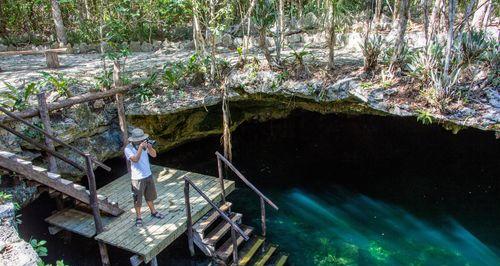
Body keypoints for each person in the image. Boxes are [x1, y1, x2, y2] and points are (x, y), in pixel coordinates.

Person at [124, 128, 165, 227]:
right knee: (138, 199)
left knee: (150, 196)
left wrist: (149, 148)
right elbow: (135, 160)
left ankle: (153, 211)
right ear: (134, 140)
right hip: (137, 178)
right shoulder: (128, 149)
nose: (142, 141)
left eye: (143, 139)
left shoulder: (144, 146)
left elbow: (154, 155)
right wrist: (140, 148)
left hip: (148, 174)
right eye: (141, 140)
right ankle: (138, 217)